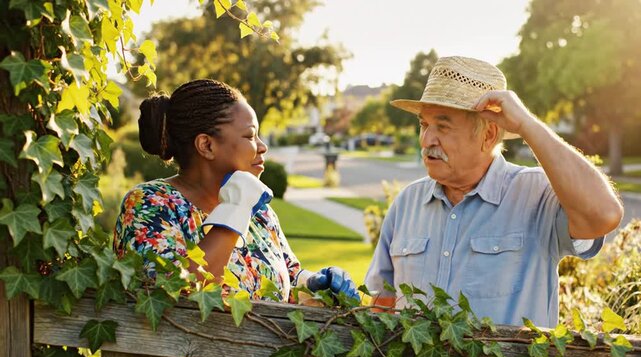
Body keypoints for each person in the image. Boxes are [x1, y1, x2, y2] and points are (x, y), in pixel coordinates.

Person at [364, 56, 623, 327]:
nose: (427, 140)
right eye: (424, 125)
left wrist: (526, 125)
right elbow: (382, 307)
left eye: (443, 126)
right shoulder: (407, 203)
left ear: (488, 135)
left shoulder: (536, 195)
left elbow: (604, 214)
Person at [114, 79, 359, 303]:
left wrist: (316, 284)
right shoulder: (150, 203)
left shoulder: (260, 214)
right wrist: (234, 211)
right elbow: (170, 293)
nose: (262, 147)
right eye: (250, 135)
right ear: (206, 145)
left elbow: (289, 279)